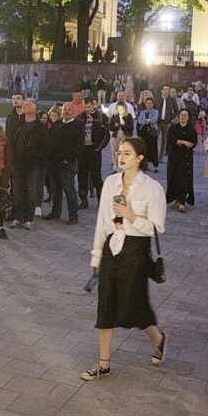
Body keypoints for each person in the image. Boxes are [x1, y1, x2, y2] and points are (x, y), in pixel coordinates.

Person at [81, 137, 168, 381]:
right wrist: (96, 255)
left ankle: (158, 338)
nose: (121, 156)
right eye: (120, 152)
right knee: (105, 304)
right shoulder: (110, 183)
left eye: (127, 153)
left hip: (137, 250)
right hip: (112, 246)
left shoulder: (152, 188)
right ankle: (103, 363)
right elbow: (102, 221)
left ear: (140, 158)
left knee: (134, 306)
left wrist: (131, 216)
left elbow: (156, 227)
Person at [9, 100, 45, 230]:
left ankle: (29, 219)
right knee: (17, 192)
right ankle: (18, 217)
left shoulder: (39, 126)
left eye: (27, 105)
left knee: (30, 192)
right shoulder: (18, 123)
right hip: (17, 164)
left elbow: (43, 147)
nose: (24, 106)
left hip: (32, 165)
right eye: (23, 105)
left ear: (35, 108)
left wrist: (36, 161)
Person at [44, 103, 81, 225]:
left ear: (73, 111)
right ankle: (55, 212)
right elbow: (50, 141)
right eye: (65, 109)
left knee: (69, 190)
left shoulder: (77, 126)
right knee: (56, 190)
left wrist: (69, 159)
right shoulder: (58, 124)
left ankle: (73, 215)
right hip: (53, 163)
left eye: (69, 110)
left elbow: (79, 146)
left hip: (67, 165)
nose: (66, 111)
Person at [78, 96, 108, 210]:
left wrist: (99, 148)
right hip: (83, 150)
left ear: (93, 105)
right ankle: (83, 199)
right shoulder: (81, 116)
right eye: (85, 106)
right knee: (82, 175)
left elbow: (106, 134)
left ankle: (101, 199)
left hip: (94, 149)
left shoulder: (101, 116)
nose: (87, 109)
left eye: (89, 106)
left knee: (96, 175)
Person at [165, 109, 198, 212]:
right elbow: (170, 139)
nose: (183, 117)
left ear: (188, 117)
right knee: (174, 178)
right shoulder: (174, 127)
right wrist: (182, 142)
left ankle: (182, 202)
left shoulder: (191, 129)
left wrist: (182, 142)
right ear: (179, 116)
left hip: (186, 158)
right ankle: (176, 199)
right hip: (174, 157)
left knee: (184, 179)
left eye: (185, 115)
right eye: (181, 115)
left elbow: (193, 143)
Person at [134, 96, 158, 172]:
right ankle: (144, 165)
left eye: (150, 103)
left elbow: (154, 120)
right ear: (145, 104)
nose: (149, 104)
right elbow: (139, 121)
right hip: (143, 132)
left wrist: (146, 121)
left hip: (152, 132)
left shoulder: (156, 112)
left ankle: (155, 166)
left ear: (153, 104)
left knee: (153, 148)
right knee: (144, 148)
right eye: (147, 103)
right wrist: (148, 121)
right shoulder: (142, 112)